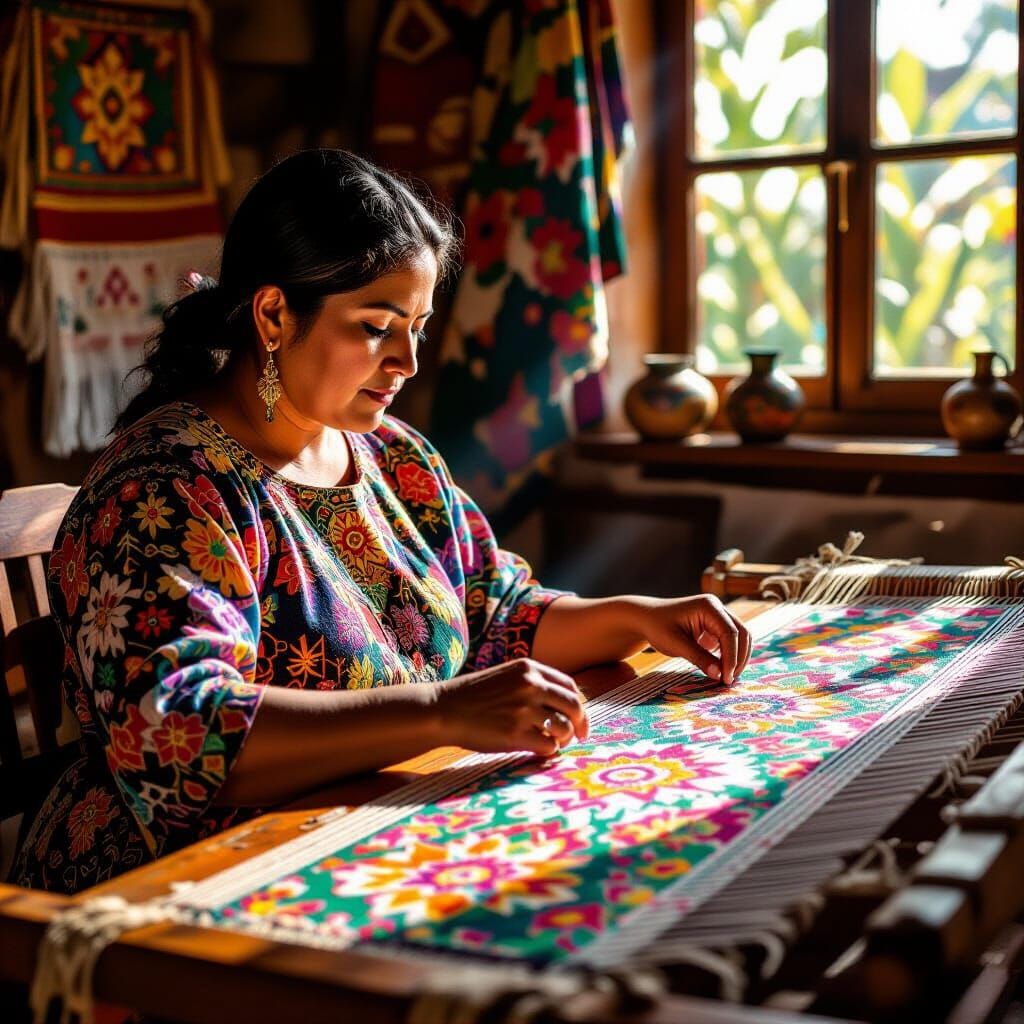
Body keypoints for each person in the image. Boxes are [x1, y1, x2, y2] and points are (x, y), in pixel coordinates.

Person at [13, 150, 752, 894]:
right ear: (273, 315)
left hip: (374, 823)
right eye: (376, 327)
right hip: (187, 882)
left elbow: (495, 613)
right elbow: (181, 734)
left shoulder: (394, 458)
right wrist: (441, 712)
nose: (407, 360)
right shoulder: (167, 489)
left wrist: (643, 615)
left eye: (419, 328)